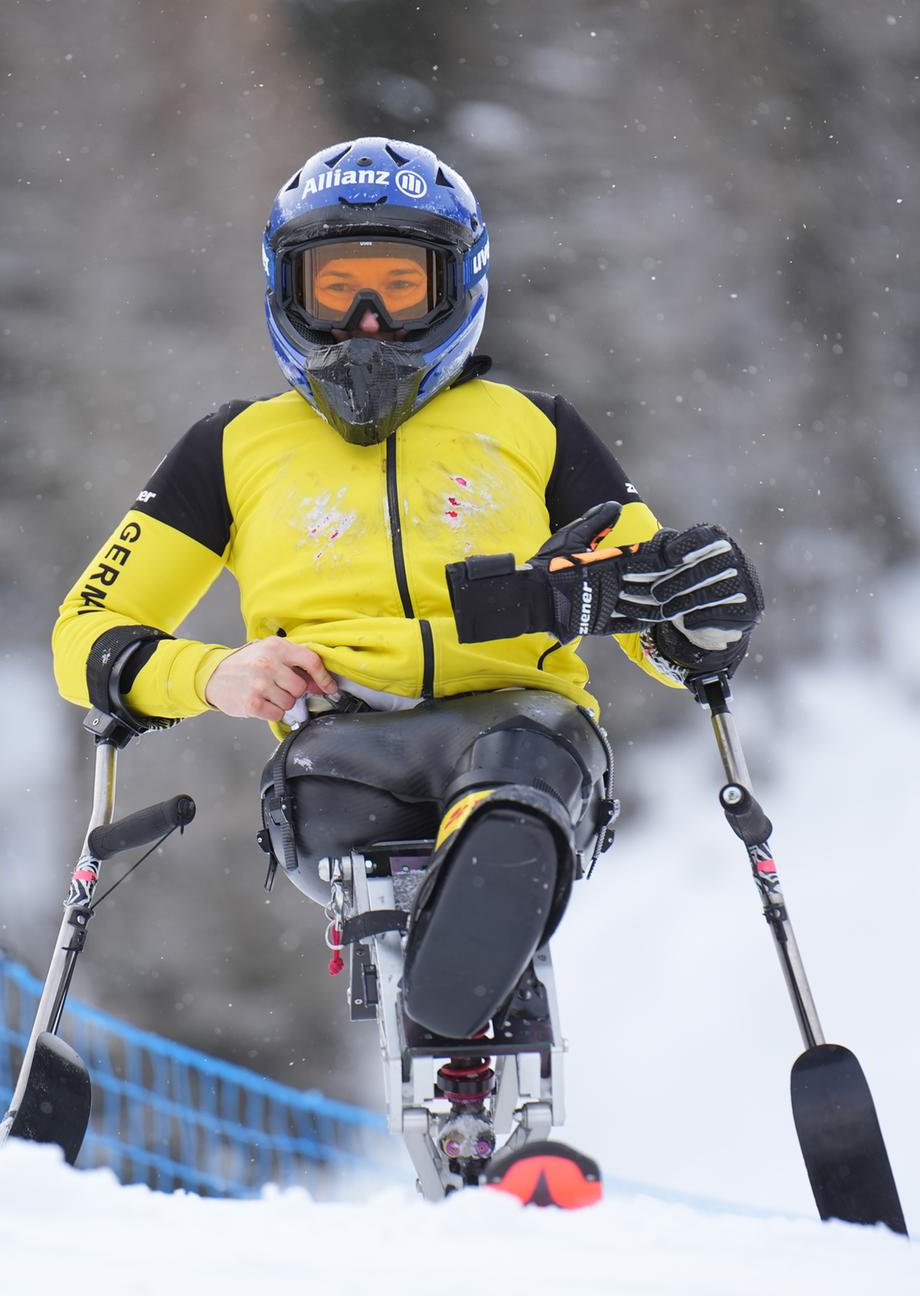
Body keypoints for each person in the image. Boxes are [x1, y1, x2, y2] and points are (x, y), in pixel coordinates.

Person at [52, 137, 763, 1042]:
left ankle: (474, 947)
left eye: (399, 285)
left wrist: (697, 621)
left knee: (515, 772)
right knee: (403, 793)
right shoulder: (233, 447)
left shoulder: (534, 429)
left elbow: (653, 618)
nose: (367, 321)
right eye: (335, 289)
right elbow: (86, 631)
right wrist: (214, 674)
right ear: (285, 292)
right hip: (338, 744)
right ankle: (464, 980)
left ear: (459, 285)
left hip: (523, 728)